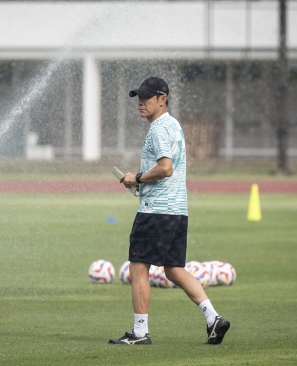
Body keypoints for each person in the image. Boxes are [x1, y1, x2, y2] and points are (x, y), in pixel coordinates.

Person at [109, 77, 230, 345]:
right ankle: (213, 318)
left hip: (156, 212)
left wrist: (137, 178)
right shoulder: (174, 125)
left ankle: (140, 333)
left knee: (138, 266)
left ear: (162, 99)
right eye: (138, 97)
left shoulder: (158, 129)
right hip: (177, 210)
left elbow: (165, 168)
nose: (140, 102)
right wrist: (138, 184)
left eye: (146, 97)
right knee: (174, 268)